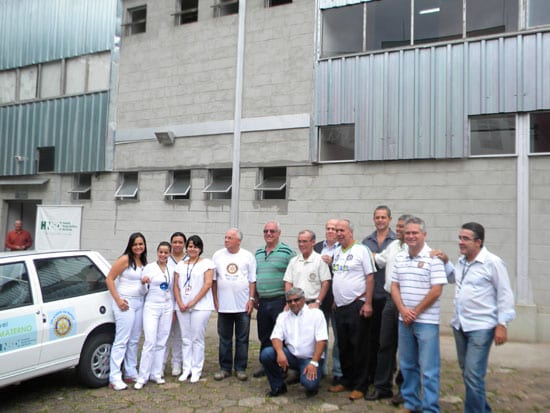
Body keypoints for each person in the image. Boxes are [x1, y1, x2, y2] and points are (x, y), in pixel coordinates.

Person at [451, 222, 516, 413]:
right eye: (460, 237)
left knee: (472, 375)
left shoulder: (493, 262)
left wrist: (502, 324)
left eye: (465, 239)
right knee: (469, 373)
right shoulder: (461, 262)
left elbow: (505, 293)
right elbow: (454, 280)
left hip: (481, 326)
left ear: (478, 242)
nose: (460, 242)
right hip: (460, 324)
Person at [391, 216, 447, 413]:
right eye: (408, 233)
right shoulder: (400, 257)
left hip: (426, 322)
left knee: (429, 369)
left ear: (424, 234)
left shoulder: (434, 258)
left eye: (415, 233)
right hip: (404, 320)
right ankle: (411, 403)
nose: (411, 236)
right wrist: (403, 310)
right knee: (407, 365)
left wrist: (415, 312)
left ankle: (431, 407)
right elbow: (394, 286)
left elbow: (436, 290)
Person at [328, 219, 376, 401]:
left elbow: (370, 278)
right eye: (337, 230)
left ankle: (360, 385)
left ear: (350, 232)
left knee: (359, 347)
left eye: (342, 230)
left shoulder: (361, 250)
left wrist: (368, 303)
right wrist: (335, 299)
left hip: (357, 306)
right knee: (344, 346)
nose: (339, 233)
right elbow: (338, 276)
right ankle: (345, 380)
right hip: (339, 307)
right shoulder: (337, 251)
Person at [365, 214, 410, 403]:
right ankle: (383, 386)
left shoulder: (416, 249)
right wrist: (359, 252)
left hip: (408, 303)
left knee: (407, 350)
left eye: (402, 228)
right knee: (385, 345)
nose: (398, 231)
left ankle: (405, 389)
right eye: (398, 228)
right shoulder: (394, 246)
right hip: (390, 301)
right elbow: (378, 259)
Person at [260, 287, 328, 397]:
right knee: (267, 354)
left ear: (303, 299)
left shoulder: (316, 314)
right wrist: (280, 352)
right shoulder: (283, 316)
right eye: (289, 301)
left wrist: (314, 363)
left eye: (296, 300)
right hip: (291, 356)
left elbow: (321, 340)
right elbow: (276, 336)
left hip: (310, 358)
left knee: (309, 384)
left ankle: (311, 382)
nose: (293, 303)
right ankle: (278, 386)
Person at [212, 228, 257, 381]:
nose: (226, 240)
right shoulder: (217, 255)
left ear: (239, 240)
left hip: (242, 306)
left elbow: (252, 280)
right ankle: (225, 368)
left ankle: (240, 368)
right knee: (224, 338)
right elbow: (214, 280)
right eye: (225, 237)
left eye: (230, 238)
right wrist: (215, 300)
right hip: (224, 306)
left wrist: (251, 299)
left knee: (242, 338)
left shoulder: (247, 256)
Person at [252, 221, 296, 378]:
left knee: (280, 336)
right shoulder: (258, 253)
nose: (268, 234)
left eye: (272, 231)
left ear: (279, 233)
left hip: (279, 301)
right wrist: (255, 296)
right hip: (263, 302)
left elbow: (294, 276)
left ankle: (282, 368)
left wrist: (290, 301)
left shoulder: (288, 252)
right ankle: (267, 365)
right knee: (264, 335)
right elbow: (255, 276)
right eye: (266, 231)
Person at [106, 232, 148, 391]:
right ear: (131, 245)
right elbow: (109, 279)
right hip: (125, 302)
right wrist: (118, 300)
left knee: (135, 339)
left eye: (141, 244)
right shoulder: (125, 259)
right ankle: (115, 377)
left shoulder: (142, 261)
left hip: (139, 303)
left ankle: (130, 371)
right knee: (122, 340)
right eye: (135, 244)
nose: (138, 247)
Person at [361, 205, 397, 388]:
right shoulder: (366, 241)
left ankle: (388, 373)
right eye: (377, 217)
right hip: (372, 296)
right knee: (372, 338)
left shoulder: (397, 241)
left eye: (383, 217)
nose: (380, 220)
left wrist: (375, 256)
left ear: (389, 219)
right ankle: (373, 372)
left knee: (389, 341)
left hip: (391, 297)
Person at [174, 235, 215, 383]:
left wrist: (193, 302)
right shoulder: (180, 265)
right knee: (185, 338)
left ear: (200, 249)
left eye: (195, 246)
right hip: (182, 306)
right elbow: (176, 286)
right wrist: (179, 302)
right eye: (190, 246)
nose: (192, 249)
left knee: (197, 338)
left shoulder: (207, 264)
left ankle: (197, 369)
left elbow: (207, 284)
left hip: (200, 306)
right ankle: (186, 369)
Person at [134, 241, 173, 390]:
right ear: (157, 253)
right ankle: (142, 376)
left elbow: (173, 288)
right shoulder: (149, 268)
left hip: (167, 306)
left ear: (169, 254)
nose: (163, 255)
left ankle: (156, 373)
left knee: (162, 340)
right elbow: (143, 290)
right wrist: (144, 283)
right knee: (150, 340)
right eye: (161, 252)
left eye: (166, 252)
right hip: (152, 306)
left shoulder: (172, 268)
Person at [313, 218, 342, 384]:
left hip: (337, 301)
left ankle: (338, 371)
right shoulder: (317, 247)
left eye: (334, 229)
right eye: (328, 228)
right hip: (320, 300)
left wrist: (332, 263)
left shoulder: (343, 248)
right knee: (320, 336)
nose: (331, 231)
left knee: (339, 339)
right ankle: (320, 368)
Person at [165, 231, 186, 377]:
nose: (177, 245)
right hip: (166, 302)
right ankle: (160, 364)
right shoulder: (166, 258)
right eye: (175, 242)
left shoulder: (189, 259)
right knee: (165, 335)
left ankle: (176, 363)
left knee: (180, 335)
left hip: (183, 303)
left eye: (180, 242)